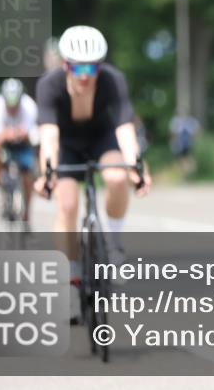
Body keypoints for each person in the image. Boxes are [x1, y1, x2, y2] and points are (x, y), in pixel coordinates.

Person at [33, 25, 151, 323]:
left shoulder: (113, 80)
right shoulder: (49, 85)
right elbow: (49, 137)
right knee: (67, 205)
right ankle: (70, 280)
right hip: (66, 144)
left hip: (101, 138)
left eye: (92, 67)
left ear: (100, 65)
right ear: (65, 65)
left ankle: (114, 244)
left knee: (117, 177)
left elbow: (125, 129)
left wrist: (136, 165)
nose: (85, 75)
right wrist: (47, 173)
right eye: (77, 67)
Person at [0, 78, 38, 228]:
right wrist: (7, 134)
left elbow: (31, 135)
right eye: (9, 105)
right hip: (3, 141)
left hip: (22, 142)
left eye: (15, 105)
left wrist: (22, 134)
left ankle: (27, 214)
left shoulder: (29, 107)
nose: (12, 108)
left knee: (28, 175)